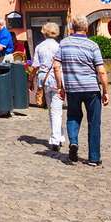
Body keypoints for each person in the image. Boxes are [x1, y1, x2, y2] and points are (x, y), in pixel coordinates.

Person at [52, 16, 108, 166]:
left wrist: (60, 87)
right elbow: (101, 71)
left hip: (72, 88)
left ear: (72, 28)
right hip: (91, 89)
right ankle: (94, 158)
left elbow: (56, 66)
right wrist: (106, 91)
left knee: (73, 116)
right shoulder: (92, 45)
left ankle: (74, 142)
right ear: (87, 28)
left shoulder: (63, 44)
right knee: (94, 122)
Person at [32, 21, 65, 150]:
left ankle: (56, 138)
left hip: (44, 80)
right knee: (57, 109)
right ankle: (59, 137)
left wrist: (30, 79)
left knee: (53, 110)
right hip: (57, 79)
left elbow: (35, 66)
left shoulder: (40, 47)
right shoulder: (59, 46)